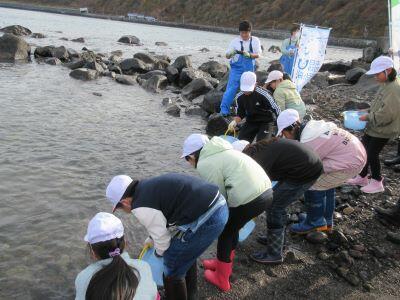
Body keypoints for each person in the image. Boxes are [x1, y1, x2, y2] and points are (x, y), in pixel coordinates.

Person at [106, 173, 229, 300]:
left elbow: (163, 241)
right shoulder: (146, 187)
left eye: (120, 208)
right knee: (184, 254)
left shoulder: (140, 206)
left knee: (171, 264)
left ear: (125, 202)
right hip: (217, 205)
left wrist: (158, 254)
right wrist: (151, 239)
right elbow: (162, 219)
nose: (124, 211)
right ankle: (191, 294)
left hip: (210, 217)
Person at [182, 134, 272, 291]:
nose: (189, 163)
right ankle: (222, 264)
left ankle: (222, 278)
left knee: (225, 231)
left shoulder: (205, 162)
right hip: (266, 192)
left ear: (192, 155)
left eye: (187, 159)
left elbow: (217, 195)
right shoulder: (223, 150)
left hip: (250, 198)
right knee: (233, 226)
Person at [276, 109, 367, 234]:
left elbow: (304, 169)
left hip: (349, 163)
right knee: (326, 184)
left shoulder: (309, 141)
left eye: (284, 133)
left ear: (292, 128)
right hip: (355, 153)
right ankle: (326, 221)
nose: (285, 137)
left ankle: (315, 221)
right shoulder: (312, 128)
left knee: (312, 182)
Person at [242, 138, 323, 264]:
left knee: (274, 207)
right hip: (304, 167)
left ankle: (274, 254)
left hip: (305, 173)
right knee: (276, 202)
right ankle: (277, 241)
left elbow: (258, 187)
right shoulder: (261, 148)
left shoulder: (259, 160)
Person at [75, 212, 158, 300]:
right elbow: (153, 294)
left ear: (93, 252)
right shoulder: (143, 267)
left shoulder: (83, 277)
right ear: (125, 243)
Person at [347, 56, 400, 193]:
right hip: (375, 126)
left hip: (385, 128)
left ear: (388, 70)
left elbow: (388, 115)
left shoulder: (394, 89)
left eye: (378, 73)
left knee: (372, 154)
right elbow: (378, 105)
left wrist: (367, 117)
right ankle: (362, 176)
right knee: (363, 149)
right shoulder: (386, 84)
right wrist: (366, 111)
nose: (376, 77)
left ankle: (377, 181)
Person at [220, 20, 262, 116]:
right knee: (231, 89)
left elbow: (259, 54)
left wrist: (250, 55)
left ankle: (249, 112)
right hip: (236, 69)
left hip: (249, 69)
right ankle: (224, 110)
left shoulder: (255, 40)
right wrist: (230, 53)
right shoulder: (235, 41)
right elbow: (227, 56)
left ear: (250, 32)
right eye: (242, 33)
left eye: (246, 32)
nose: (244, 35)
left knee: (249, 90)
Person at [227, 71, 281, 142]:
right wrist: (234, 121)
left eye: (248, 89)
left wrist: (280, 127)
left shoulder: (264, 94)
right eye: (244, 89)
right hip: (251, 120)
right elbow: (240, 114)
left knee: (262, 143)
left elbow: (276, 109)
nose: (246, 92)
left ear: (255, 84)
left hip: (266, 121)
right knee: (241, 141)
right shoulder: (239, 97)